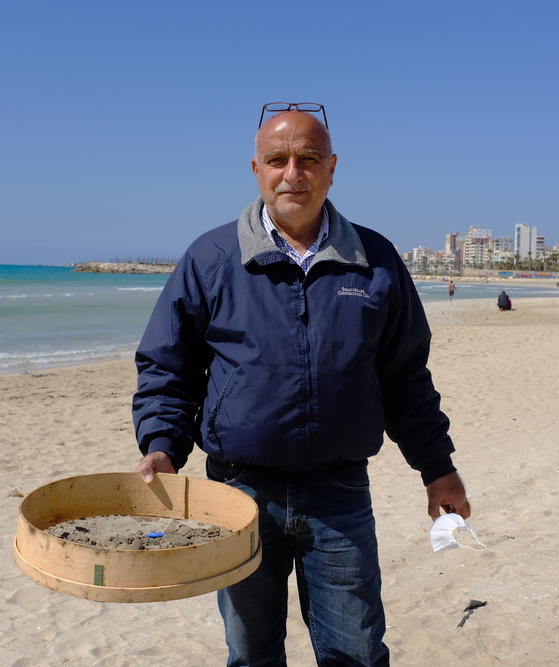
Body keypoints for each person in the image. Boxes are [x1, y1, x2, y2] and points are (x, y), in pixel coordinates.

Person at [132, 104, 469, 666]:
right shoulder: (212, 258)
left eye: (308, 159)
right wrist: (163, 447)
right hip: (237, 493)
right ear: (257, 169)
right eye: (278, 160)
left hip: (339, 494)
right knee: (251, 654)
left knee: (356, 653)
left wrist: (437, 467)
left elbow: (405, 375)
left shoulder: (375, 260)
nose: (293, 173)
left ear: (332, 168)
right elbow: (170, 367)